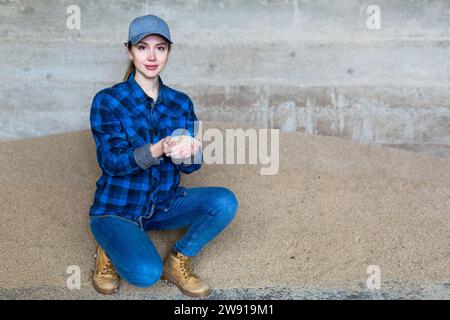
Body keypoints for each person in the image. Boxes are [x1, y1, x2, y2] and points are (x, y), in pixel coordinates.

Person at [89, 14, 239, 297]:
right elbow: (111, 161)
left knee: (224, 201)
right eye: (143, 47)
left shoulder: (180, 102)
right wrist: (158, 149)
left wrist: (189, 153)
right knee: (146, 275)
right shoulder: (107, 100)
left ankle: (178, 259)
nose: (152, 55)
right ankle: (108, 246)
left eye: (160, 47)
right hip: (118, 208)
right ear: (130, 51)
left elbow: (192, 167)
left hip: (164, 204)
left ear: (168, 52)